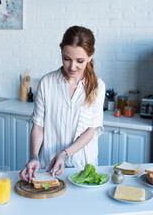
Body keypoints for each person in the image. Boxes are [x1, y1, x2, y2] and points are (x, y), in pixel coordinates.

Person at [19, 25, 105, 183]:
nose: (72, 67)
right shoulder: (47, 83)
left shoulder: (98, 86)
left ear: (90, 56)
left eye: (80, 61)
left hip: (83, 167)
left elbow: (90, 131)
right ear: (61, 53)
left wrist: (64, 154)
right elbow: (38, 126)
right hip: (49, 167)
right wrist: (34, 156)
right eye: (67, 59)